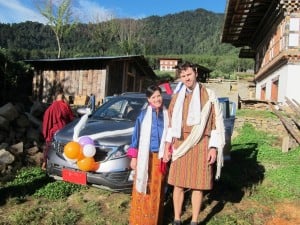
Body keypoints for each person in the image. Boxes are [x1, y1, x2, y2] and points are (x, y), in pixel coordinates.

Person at [163, 61, 225, 225]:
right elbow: (170, 123)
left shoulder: (209, 95)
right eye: (183, 76)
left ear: (196, 73)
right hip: (180, 144)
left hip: (201, 143)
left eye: (189, 74)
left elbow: (216, 123)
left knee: (198, 185)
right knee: (178, 184)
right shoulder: (176, 97)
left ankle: (195, 221)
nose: (186, 78)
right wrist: (168, 146)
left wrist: (213, 147)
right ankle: (177, 219)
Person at [127, 85, 169, 225]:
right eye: (153, 97)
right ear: (148, 99)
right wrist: (134, 157)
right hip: (145, 157)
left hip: (160, 157)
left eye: (158, 96)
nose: (157, 99)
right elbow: (136, 136)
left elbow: (170, 136)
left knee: (157, 189)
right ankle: (139, 220)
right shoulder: (143, 115)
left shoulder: (167, 114)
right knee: (143, 185)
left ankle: (154, 220)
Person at [42, 90, 75, 170]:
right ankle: (65, 166)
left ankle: (45, 164)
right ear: (63, 98)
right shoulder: (64, 106)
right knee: (63, 150)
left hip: (51, 132)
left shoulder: (49, 108)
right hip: (62, 131)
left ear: (55, 98)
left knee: (49, 148)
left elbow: (45, 122)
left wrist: (46, 132)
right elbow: (71, 118)